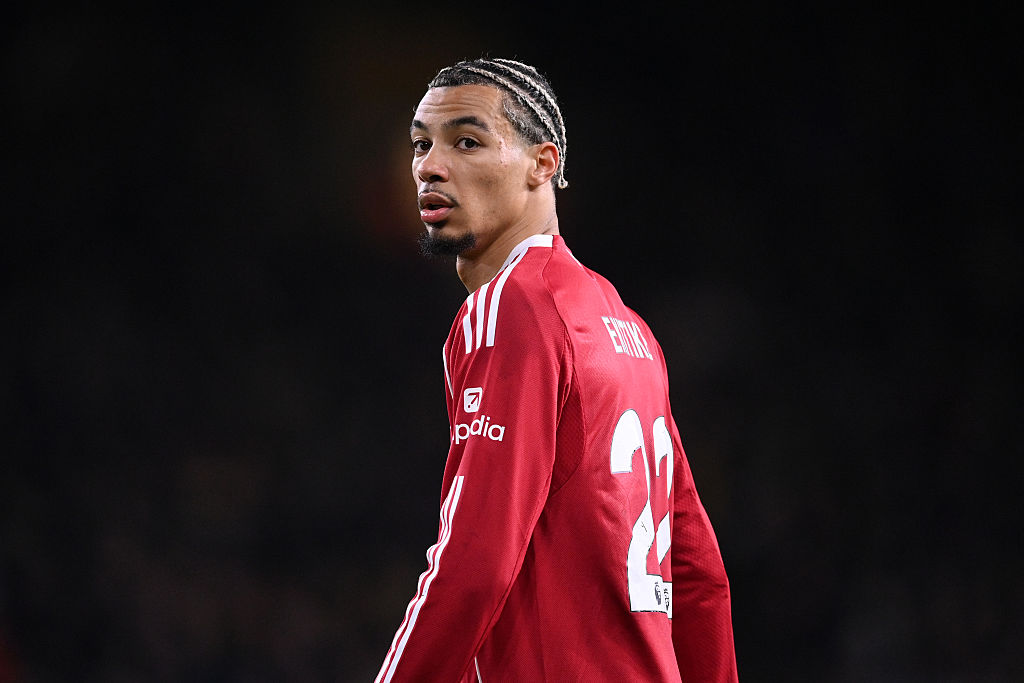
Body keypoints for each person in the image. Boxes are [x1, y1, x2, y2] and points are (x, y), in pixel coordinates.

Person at [375, 57, 738, 682]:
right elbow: (697, 573)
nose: (430, 166)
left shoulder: (511, 308)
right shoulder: (628, 330)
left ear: (543, 164)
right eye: (421, 144)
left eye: (467, 142)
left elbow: (475, 563)